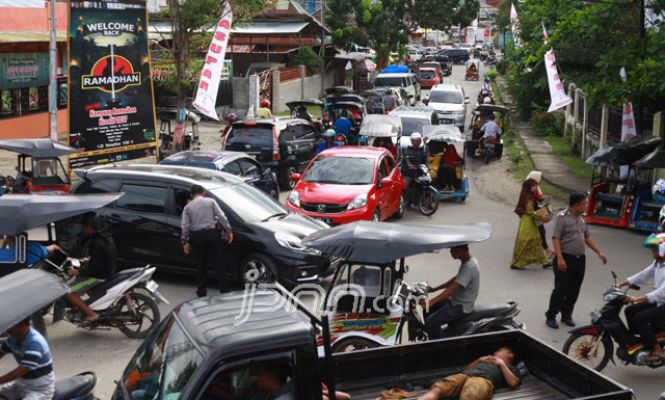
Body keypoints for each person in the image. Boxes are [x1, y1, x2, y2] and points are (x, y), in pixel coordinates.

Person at [545, 193, 608, 329]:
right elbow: (555, 238)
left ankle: (566, 314)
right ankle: (551, 315)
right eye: (584, 203)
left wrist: (599, 252)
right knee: (561, 289)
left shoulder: (581, 219)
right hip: (565, 258)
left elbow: (587, 237)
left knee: (574, 289)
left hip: (580, 259)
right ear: (576, 204)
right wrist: (560, 258)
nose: (586, 206)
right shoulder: (561, 218)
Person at [616, 233, 665, 362]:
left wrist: (638, 298)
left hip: (662, 302)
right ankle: (644, 340)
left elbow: (661, 292)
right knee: (630, 310)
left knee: (640, 318)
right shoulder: (658, 263)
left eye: (655, 249)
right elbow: (643, 275)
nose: (652, 252)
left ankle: (657, 350)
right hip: (658, 301)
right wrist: (621, 284)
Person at [64, 212, 117, 325]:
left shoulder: (96, 242)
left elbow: (95, 267)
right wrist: (89, 260)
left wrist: (77, 271)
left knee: (67, 291)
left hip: (99, 276)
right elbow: (103, 258)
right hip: (108, 271)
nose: (83, 230)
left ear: (89, 227)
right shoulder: (106, 236)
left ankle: (91, 314)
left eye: (84, 227)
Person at [182, 184, 234, 297]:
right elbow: (221, 217)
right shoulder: (211, 202)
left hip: (198, 236)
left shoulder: (188, 207)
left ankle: (201, 292)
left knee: (201, 265)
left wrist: (185, 241)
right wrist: (228, 231)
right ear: (203, 193)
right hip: (213, 234)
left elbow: (185, 226)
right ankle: (225, 290)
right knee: (219, 263)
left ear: (192, 195)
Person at [419, 346, 520, 400]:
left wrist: (502, 364)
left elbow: (513, 383)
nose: (495, 352)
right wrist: (479, 360)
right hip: (465, 375)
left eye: (500, 350)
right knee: (439, 388)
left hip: (482, 380)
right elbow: (466, 370)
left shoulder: (509, 367)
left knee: (470, 396)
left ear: (510, 356)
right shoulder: (485, 360)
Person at [422, 245, 479, 339]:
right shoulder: (468, 262)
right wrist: (435, 289)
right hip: (454, 301)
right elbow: (456, 280)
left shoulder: (469, 266)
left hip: (461, 306)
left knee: (431, 322)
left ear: (460, 250)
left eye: (453, 249)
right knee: (427, 309)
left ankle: (444, 347)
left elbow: (453, 288)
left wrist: (431, 302)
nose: (450, 251)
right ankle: (432, 337)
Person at [0, 318, 55, 400]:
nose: (8, 328)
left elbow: (22, 370)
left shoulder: (35, 343)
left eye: (11, 324)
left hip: (39, 391)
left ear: (21, 323)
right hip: (21, 386)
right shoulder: (12, 339)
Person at [509, 172, 551, 270]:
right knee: (527, 242)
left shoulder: (528, 194)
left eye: (536, 185)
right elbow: (530, 212)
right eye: (534, 186)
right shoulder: (528, 197)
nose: (536, 187)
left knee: (536, 241)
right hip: (528, 222)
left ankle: (544, 261)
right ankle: (517, 263)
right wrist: (542, 217)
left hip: (529, 221)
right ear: (529, 186)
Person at [402, 132, 428, 201]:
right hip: (409, 173)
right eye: (416, 140)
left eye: (419, 140)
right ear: (412, 141)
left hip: (419, 172)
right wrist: (410, 165)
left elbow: (425, 159)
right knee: (404, 187)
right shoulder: (408, 150)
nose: (418, 142)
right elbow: (407, 161)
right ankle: (404, 200)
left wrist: (427, 166)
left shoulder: (422, 149)